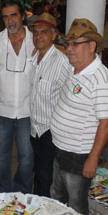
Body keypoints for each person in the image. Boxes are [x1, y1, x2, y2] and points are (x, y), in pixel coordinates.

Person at [50, 18, 108, 215]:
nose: (69, 48)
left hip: (79, 155)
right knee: (57, 196)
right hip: (61, 147)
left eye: (75, 44)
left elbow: (107, 122)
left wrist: (93, 158)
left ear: (91, 45)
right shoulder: (75, 68)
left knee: (76, 207)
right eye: (68, 43)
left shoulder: (101, 79)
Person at [0, 0, 35, 193]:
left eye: (14, 15)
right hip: (1, 111)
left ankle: (22, 191)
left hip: (27, 111)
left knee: (27, 158)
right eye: (5, 17)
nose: (10, 21)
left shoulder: (35, 42)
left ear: (23, 16)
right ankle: (3, 194)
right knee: (0, 157)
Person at [29, 13, 72, 197]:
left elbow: (71, 96)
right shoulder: (33, 59)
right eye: (36, 32)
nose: (38, 36)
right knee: (38, 174)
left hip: (51, 131)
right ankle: (37, 210)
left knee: (48, 178)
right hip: (34, 130)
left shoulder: (62, 63)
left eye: (44, 32)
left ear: (54, 35)